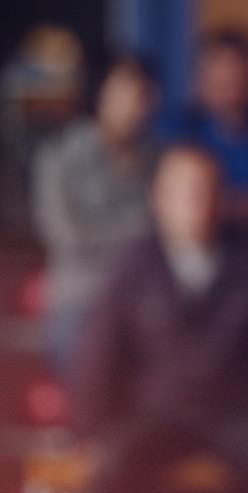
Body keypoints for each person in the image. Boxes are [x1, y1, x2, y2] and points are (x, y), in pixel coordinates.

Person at [70, 144, 248, 493]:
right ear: (158, 199)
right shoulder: (132, 265)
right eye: (184, 192)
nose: (196, 203)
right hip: (152, 413)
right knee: (110, 475)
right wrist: (88, 429)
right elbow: (100, 349)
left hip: (233, 415)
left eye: (206, 190)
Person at [32, 54, 157, 371]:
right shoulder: (60, 157)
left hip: (149, 299)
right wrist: (144, 229)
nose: (140, 100)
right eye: (129, 89)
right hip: (85, 296)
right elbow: (67, 236)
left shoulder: (157, 157)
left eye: (146, 91)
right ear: (101, 93)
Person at [161, 27, 248, 237]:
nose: (229, 88)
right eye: (220, 80)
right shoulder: (178, 131)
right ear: (201, 79)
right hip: (196, 243)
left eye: (236, 79)